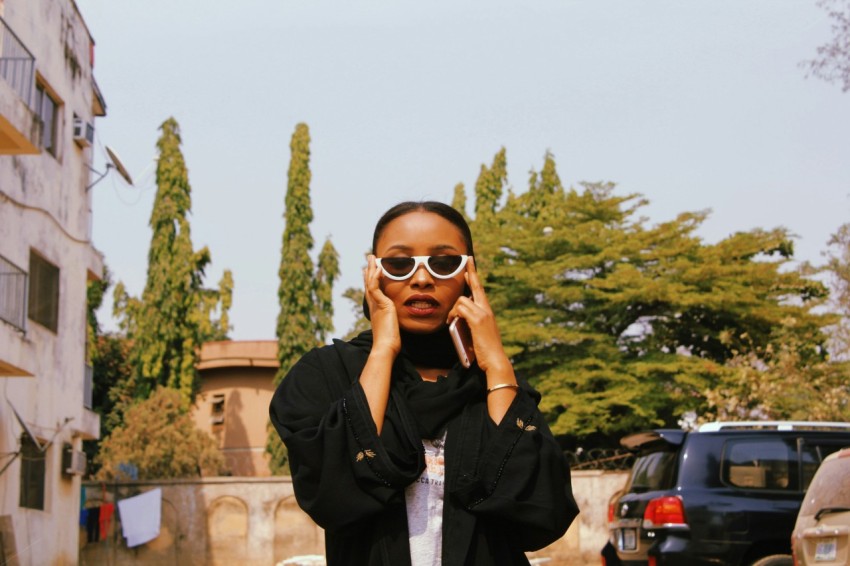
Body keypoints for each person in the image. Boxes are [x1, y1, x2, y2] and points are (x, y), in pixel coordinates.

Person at [269, 201, 578, 565]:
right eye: (399, 264)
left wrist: (495, 360)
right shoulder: (326, 373)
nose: (421, 278)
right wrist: (384, 348)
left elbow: (542, 513)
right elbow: (334, 497)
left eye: (444, 262)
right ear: (374, 273)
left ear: (469, 274)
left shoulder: (495, 381)